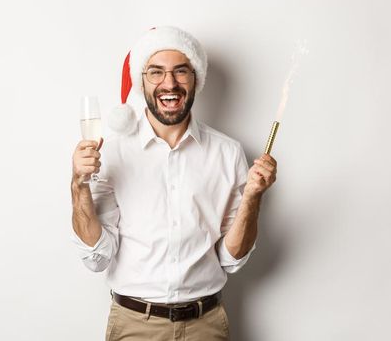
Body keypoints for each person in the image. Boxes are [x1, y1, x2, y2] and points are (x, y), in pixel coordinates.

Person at [70, 26, 278, 341]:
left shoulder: (228, 152)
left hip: (205, 325)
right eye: (156, 72)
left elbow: (231, 260)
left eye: (181, 72)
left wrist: (253, 197)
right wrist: (78, 186)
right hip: (135, 326)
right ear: (142, 82)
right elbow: (97, 257)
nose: (169, 83)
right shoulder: (111, 153)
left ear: (196, 79)